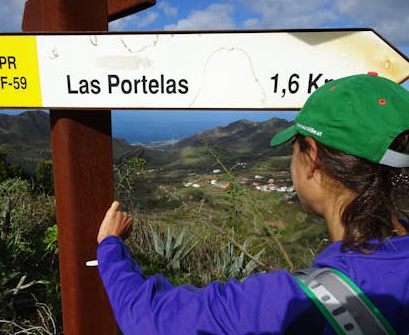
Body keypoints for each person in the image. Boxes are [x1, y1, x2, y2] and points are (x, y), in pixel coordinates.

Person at [95, 73, 409, 334]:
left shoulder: (299, 303)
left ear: (311, 157)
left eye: (293, 148)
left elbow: (150, 319)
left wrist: (110, 247)